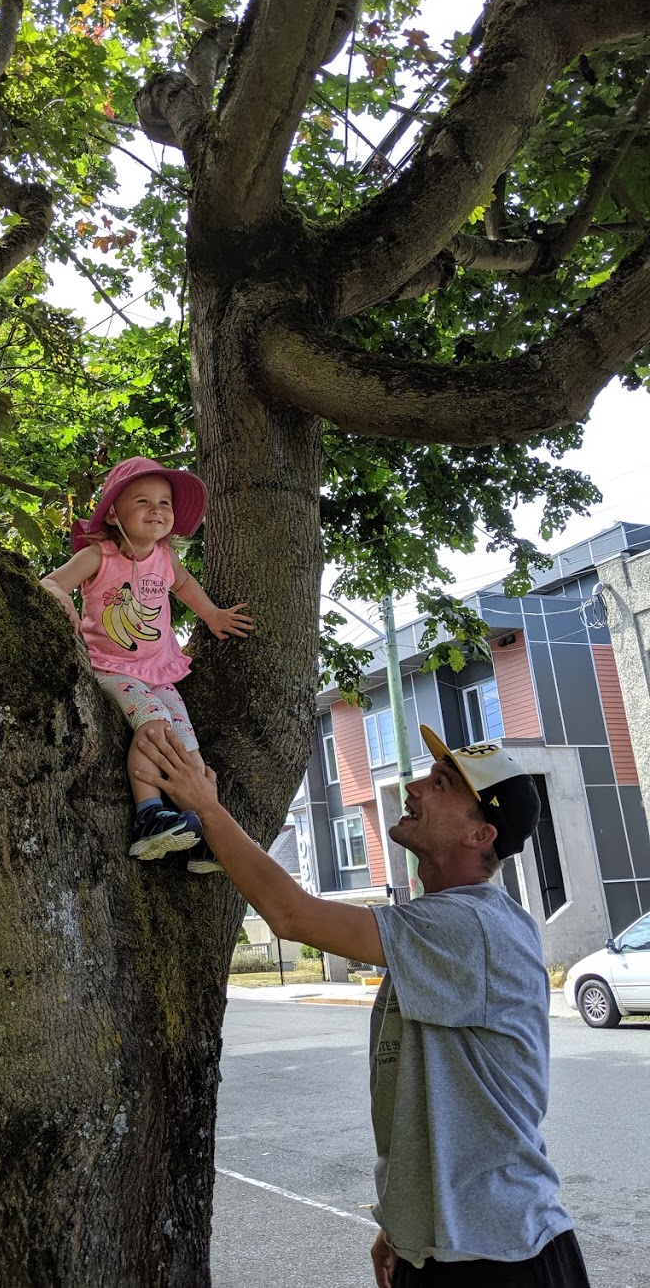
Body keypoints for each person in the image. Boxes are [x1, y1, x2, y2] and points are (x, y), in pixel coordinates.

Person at [133, 722, 591, 1287]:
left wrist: (206, 809)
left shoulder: (469, 925)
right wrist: (402, 1224)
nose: (415, 787)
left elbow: (293, 916)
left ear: (480, 835)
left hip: (501, 1259)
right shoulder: (444, 925)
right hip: (443, 1247)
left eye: (442, 784)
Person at [41, 456, 254, 872]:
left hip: (159, 669)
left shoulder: (164, 558)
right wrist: (60, 597)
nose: (157, 510)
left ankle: (200, 832)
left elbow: (186, 585)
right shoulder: (98, 556)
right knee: (154, 722)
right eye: (143, 501)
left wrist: (212, 615)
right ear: (115, 513)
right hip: (110, 667)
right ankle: (149, 815)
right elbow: (50, 581)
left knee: (186, 744)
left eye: (165, 503)